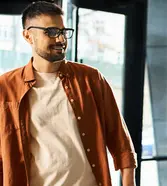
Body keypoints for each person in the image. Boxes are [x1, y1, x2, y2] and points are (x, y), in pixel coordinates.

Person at [0, 1, 137, 186]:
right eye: (51, 32)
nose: (61, 39)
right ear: (28, 36)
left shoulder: (91, 79)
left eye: (63, 32)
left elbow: (120, 140)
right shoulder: (6, 87)